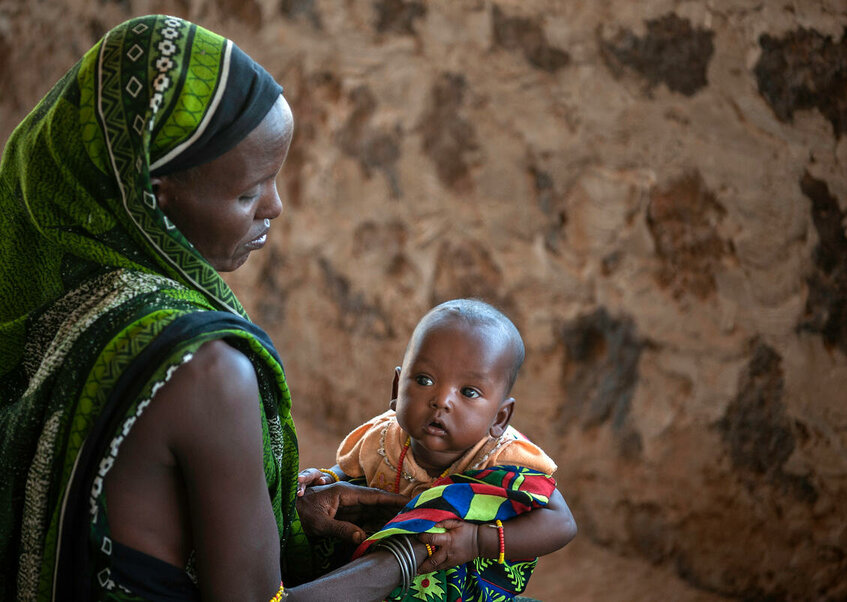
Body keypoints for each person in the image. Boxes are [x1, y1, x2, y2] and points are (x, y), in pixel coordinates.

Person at [0, 15, 429, 601]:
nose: (274, 207)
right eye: (247, 192)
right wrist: (409, 552)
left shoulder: (53, 307)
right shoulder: (206, 370)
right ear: (150, 198)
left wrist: (283, 511)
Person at [297, 298, 577, 600]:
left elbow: (562, 523)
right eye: (424, 380)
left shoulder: (502, 458)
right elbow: (350, 476)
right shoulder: (383, 438)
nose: (442, 400)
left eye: (468, 392)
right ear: (396, 389)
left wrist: (478, 541)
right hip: (373, 573)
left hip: (460, 586)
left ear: (499, 418)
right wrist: (324, 478)